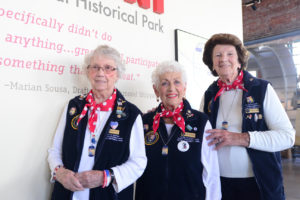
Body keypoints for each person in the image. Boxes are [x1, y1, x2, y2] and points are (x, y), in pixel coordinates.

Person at [200, 33, 295, 200]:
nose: (224, 59)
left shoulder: (261, 89)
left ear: (239, 61)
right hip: (220, 184)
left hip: (258, 183)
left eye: (230, 54)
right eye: (218, 55)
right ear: (212, 64)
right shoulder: (209, 94)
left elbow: (287, 137)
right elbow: (199, 132)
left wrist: (240, 138)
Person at [47, 45, 147, 200]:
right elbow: (55, 150)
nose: (101, 73)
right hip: (67, 194)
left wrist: (105, 176)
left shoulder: (131, 114)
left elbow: (138, 162)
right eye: (95, 67)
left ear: (117, 74)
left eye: (108, 68)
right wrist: (59, 172)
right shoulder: (73, 107)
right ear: (88, 72)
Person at [135, 61, 221, 200]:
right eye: (164, 83)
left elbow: (211, 173)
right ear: (156, 90)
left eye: (177, 82)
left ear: (184, 87)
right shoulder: (144, 122)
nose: (171, 88)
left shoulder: (200, 121)